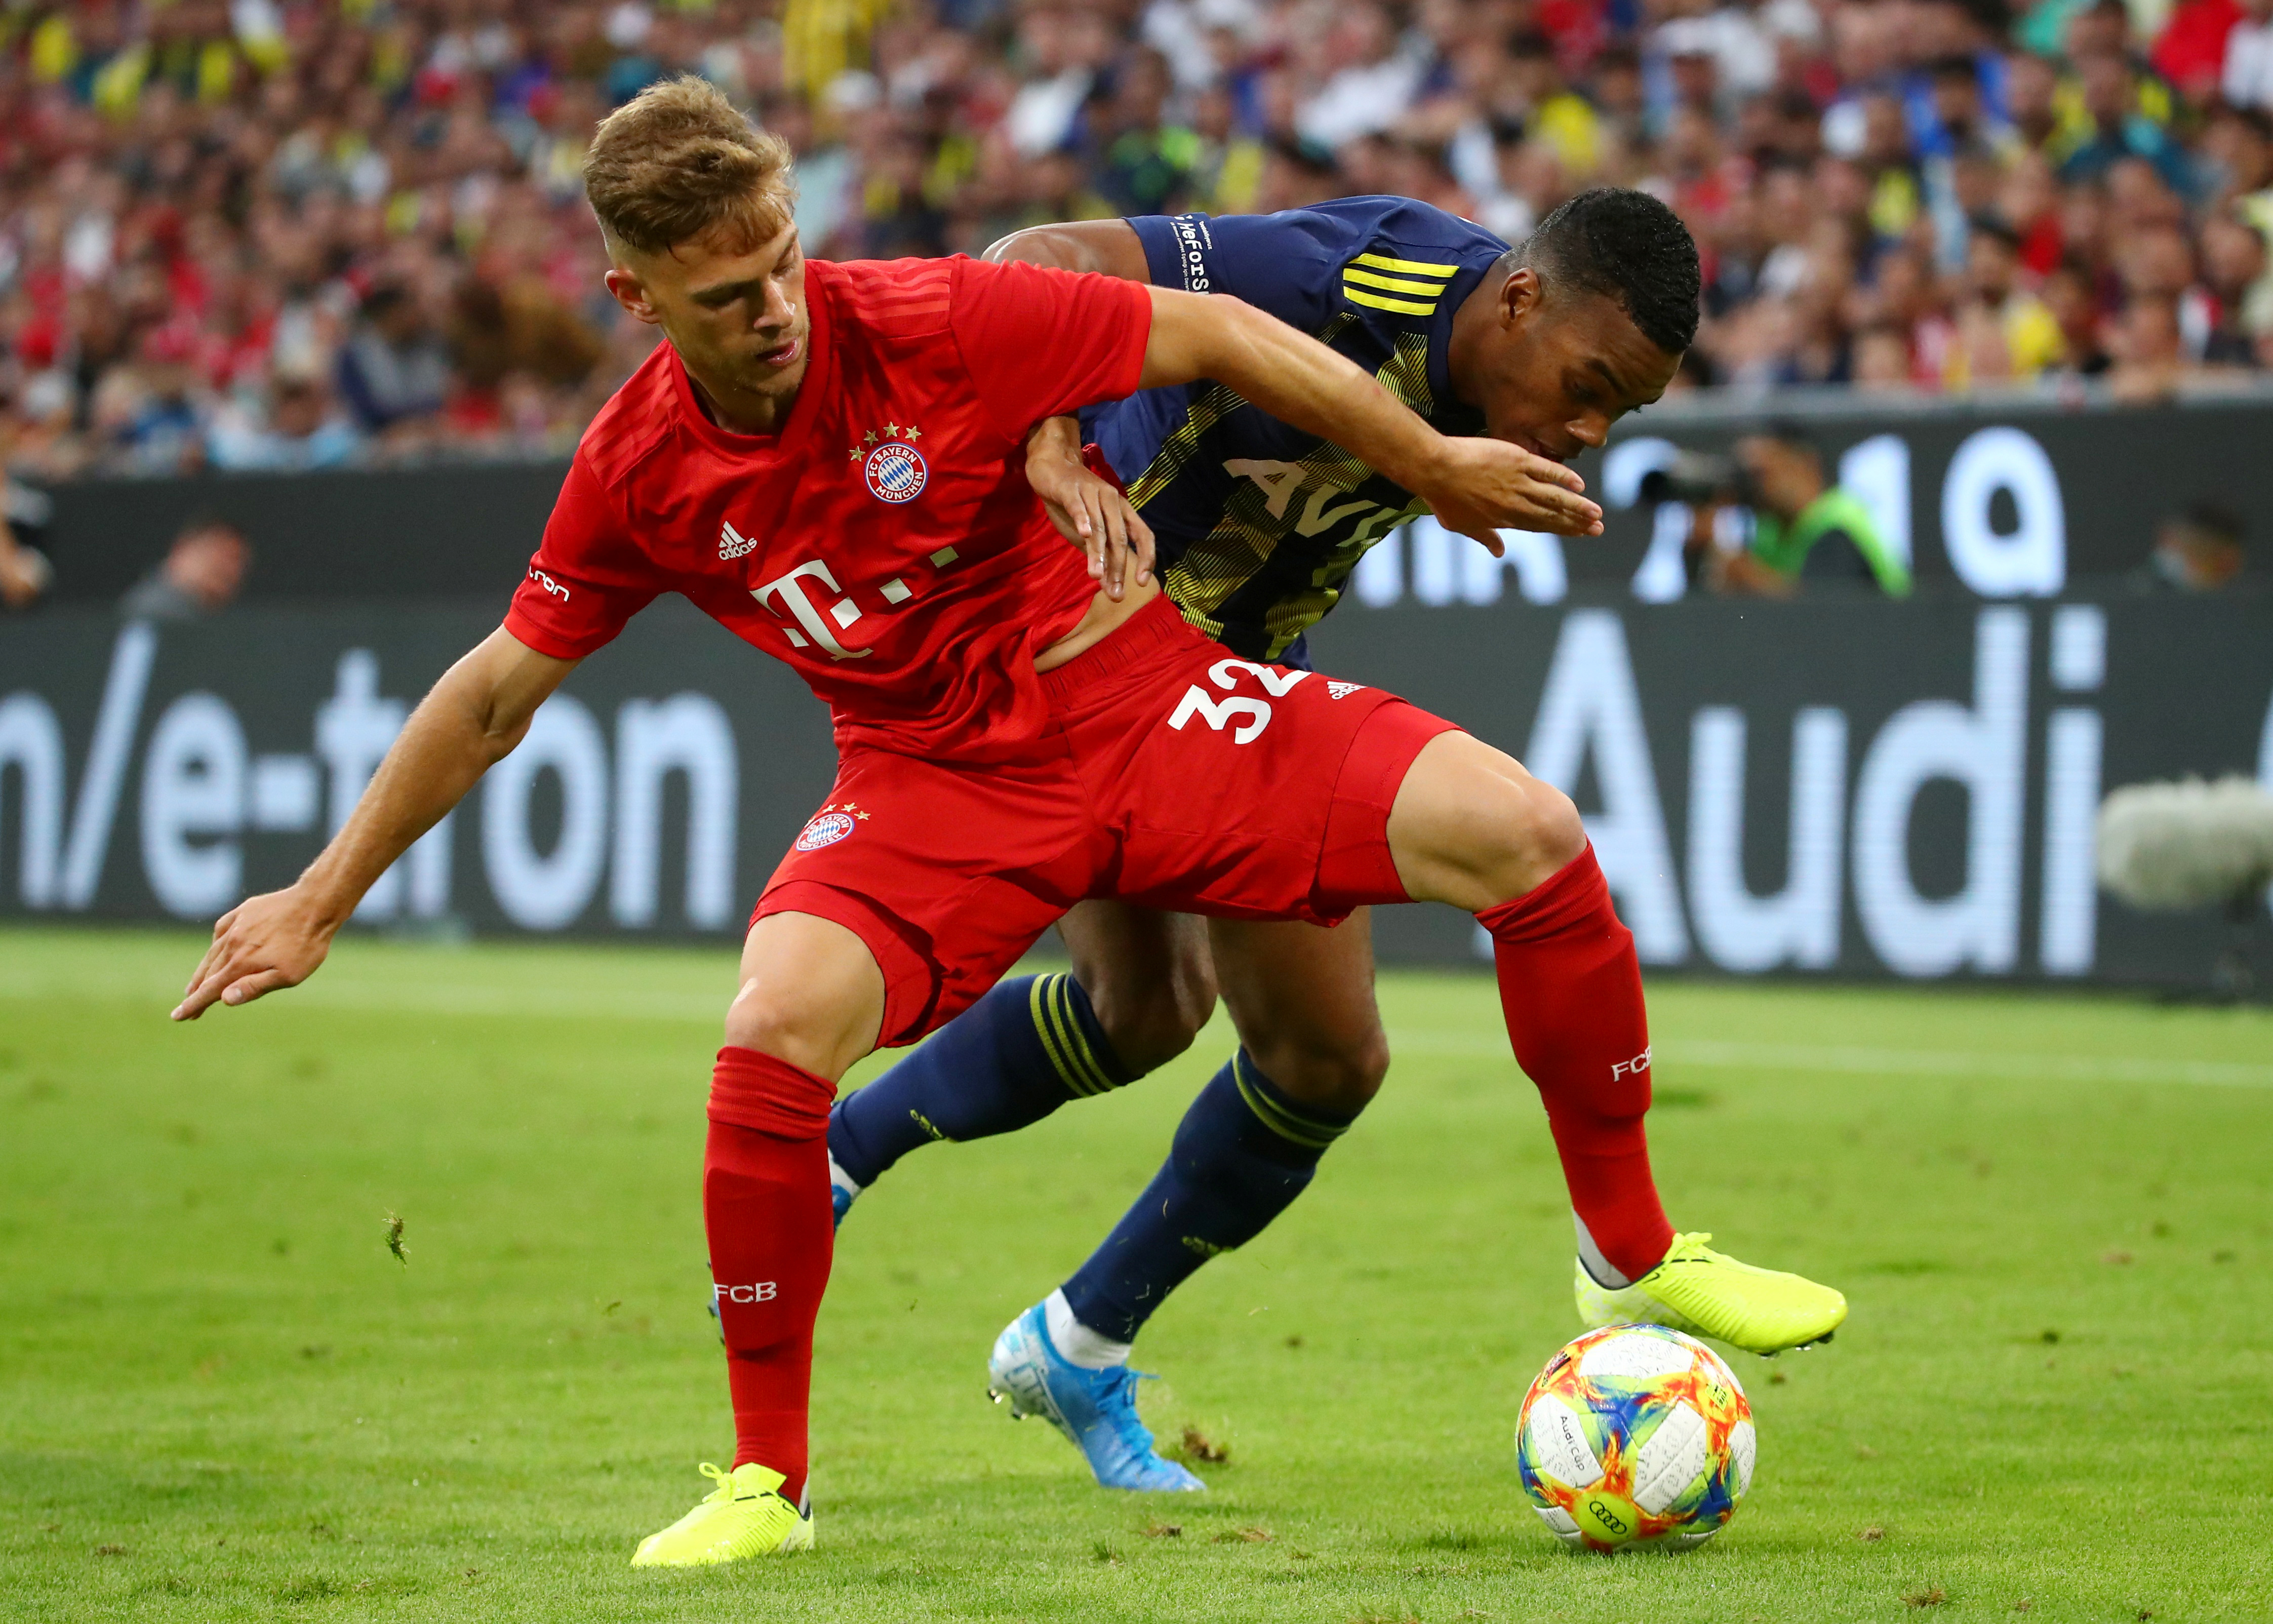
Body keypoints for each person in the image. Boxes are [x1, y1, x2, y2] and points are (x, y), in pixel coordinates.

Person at [171, 78, 1840, 1567]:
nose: (772, 313)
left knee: (1516, 843)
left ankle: (1618, 1253)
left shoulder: (915, 318)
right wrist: (320, 894)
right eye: (722, 294)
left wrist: (1285, 448)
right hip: (929, 778)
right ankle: (766, 1471)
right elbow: (488, 692)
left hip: (1153, 694)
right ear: (634, 297)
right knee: (792, 1018)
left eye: (779, 264)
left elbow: (1215, 340)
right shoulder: (635, 472)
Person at [825, 190, 1848, 1494]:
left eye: (1620, 415)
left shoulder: (1501, 382)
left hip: (1234, 675)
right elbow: (1033, 263)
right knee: (1193, 989)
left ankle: (1072, 1341)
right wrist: (1054, 440)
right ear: (1520, 301)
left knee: (1314, 1056)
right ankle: (840, 1156)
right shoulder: (1342, 272)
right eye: (1588, 386)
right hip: (1076, 643)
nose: (1586, 433)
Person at [1701, 425, 1913, 597]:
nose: (1755, 487)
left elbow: (1822, 616)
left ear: (1805, 464)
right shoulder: (1770, 532)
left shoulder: (1837, 523)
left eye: (1762, 473)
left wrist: (1749, 577)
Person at [119, 518, 252, 621]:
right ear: (181, 550)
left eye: (238, 561)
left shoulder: (210, 616)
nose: (230, 570)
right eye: (220, 555)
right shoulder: (154, 609)